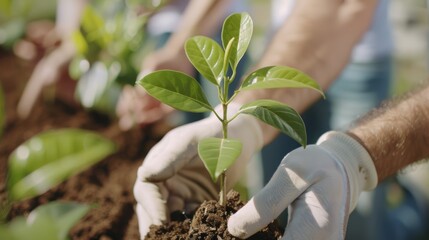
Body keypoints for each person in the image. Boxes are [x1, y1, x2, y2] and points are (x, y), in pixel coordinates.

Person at [132, 0, 429, 239]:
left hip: (365, 60)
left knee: (358, 225)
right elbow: (335, 8)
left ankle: (414, 213)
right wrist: (244, 118)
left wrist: (357, 158)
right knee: (276, 200)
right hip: (293, 48)